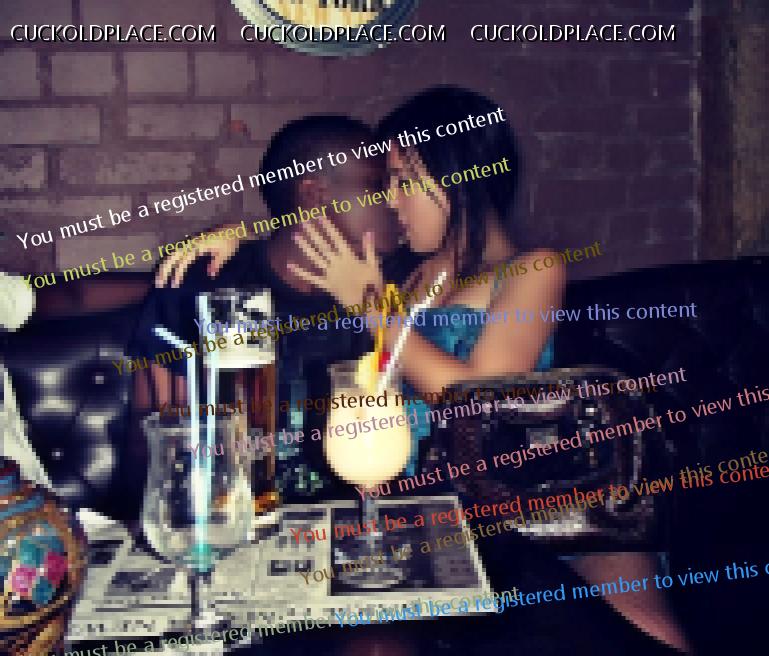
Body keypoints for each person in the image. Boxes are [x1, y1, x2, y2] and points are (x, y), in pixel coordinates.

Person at [284, 86, 691, 654]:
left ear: (458, 176)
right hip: (420, 505)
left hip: (536, 504)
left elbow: (479, 398)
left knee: (645, 638)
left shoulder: (532, 270)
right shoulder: (410, 276)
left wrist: (376, 313)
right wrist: (233, 242)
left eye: (403, 180)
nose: (392, 200)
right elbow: (310, 255)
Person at [130, 114, 402, 501]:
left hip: (353, 521)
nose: (394, 200)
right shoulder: (207, 285)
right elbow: (149, 441)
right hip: (233, 518)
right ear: (314, 195)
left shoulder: (394, 285)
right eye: (377, 185)